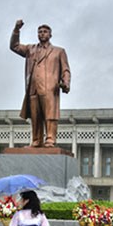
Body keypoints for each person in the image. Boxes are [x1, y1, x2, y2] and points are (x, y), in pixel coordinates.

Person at [10, 20, 71, 148]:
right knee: (35, 116)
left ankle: (50, 139)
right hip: (33, 88)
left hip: (50, 88)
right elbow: (14, 46)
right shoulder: (30, 49)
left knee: (50, 115)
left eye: (45, 32)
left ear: (50, 35)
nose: (42, 34)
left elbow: (65, 69)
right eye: (40, 32)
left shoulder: (58, 51)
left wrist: (66, 82)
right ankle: (36, 140)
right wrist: (16, 29)